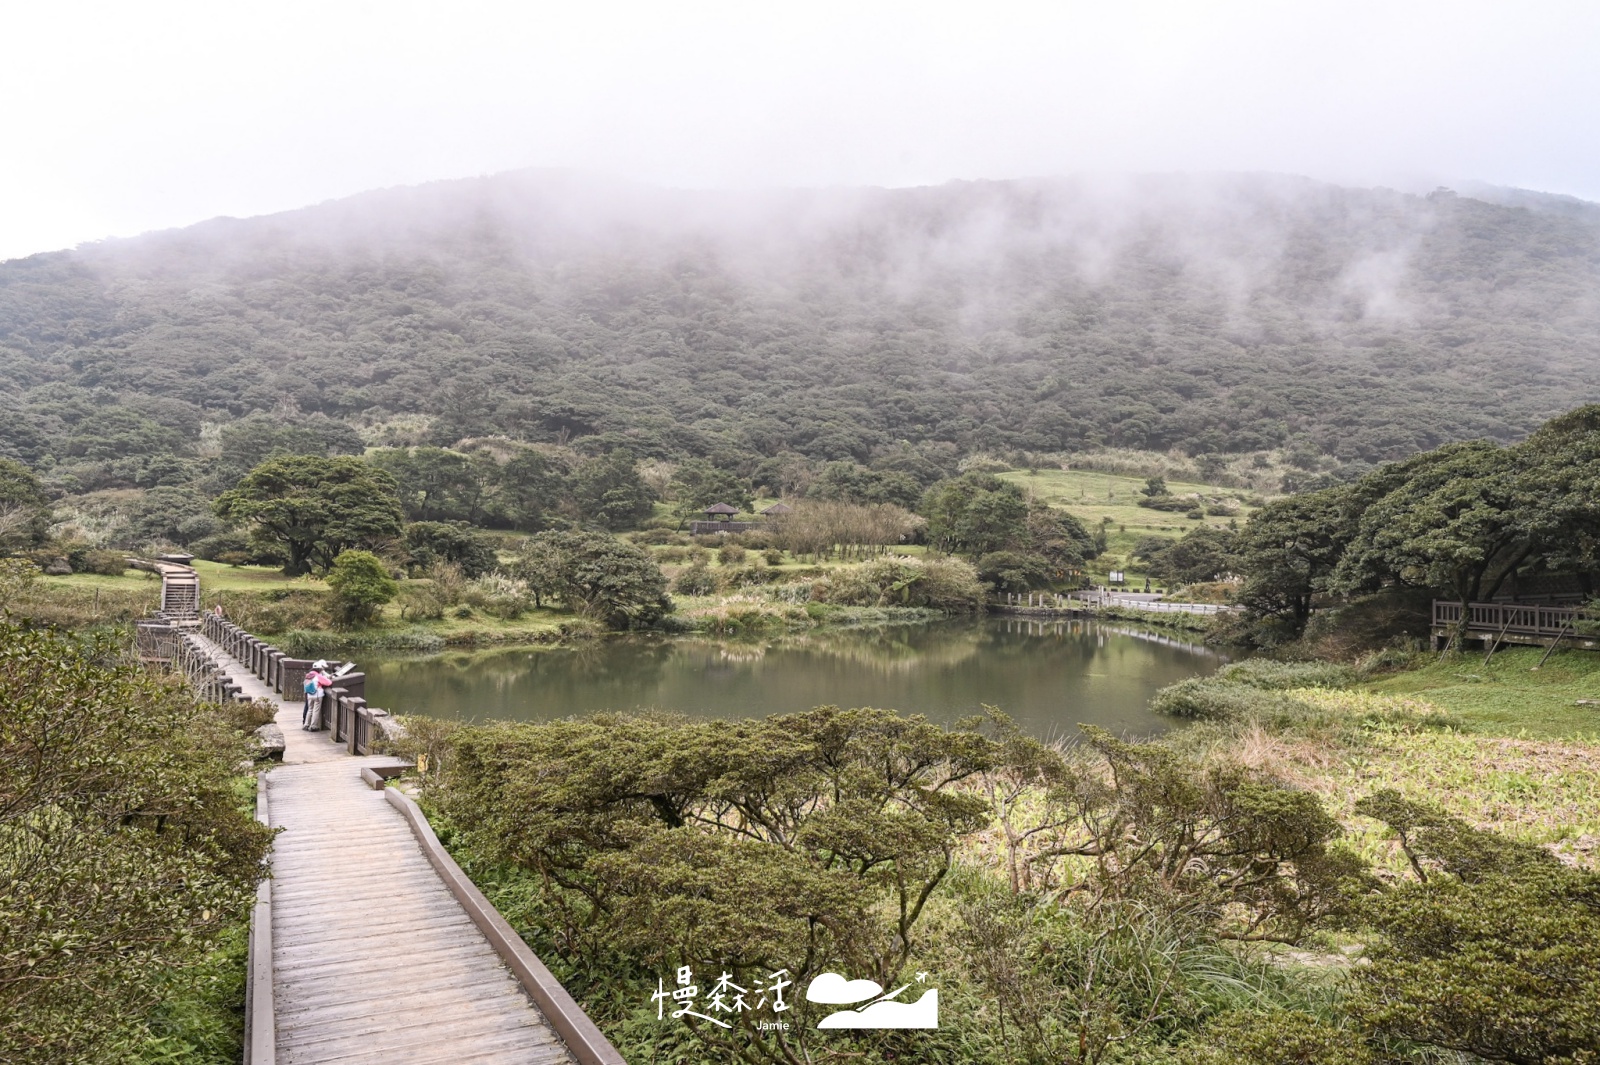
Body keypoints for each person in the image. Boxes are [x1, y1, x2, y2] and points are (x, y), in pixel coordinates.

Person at [302, 660, 333, 731]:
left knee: (310, 710)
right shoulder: (318, 676)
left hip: (309, 695)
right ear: (319, 669)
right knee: (316, 710)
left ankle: (306, 724)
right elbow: (328, 683)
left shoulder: (308, 675)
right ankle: (313, 726)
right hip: (317, 695)